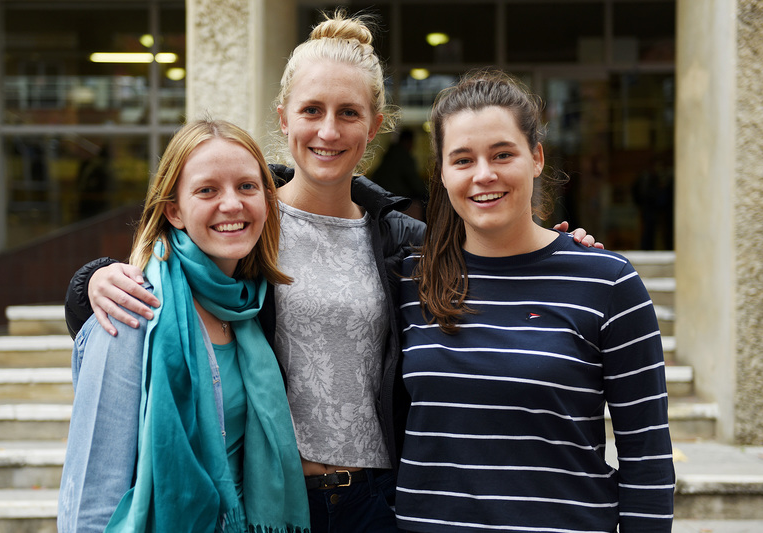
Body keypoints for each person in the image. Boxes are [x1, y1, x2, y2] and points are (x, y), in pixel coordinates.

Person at [62, 11, 601, 532]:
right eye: (311, 110)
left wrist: (561, 254)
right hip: (271, 498)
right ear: (283, 118)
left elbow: (496, 266)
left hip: (377, 501)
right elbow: (172, 273)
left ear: (375, 125)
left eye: (348, 112)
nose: (328, 130)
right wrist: (93, 280)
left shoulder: (404, 241)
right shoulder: (247, 221)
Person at [395, 70, 674, 532]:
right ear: (442, 172)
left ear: (537, 157)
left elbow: (647, 455)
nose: (484, 174)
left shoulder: (607, 284)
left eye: (502, 154)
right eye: (462, 160)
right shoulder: (410, 279)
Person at [57, 119, 309, 533]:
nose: (232, 204)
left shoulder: (250, 305)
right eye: (207, 190)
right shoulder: (134, 308)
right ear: (174, 210)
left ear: (267, 199)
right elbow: (92, 487)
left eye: (246, 186)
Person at [371, 128, 427, 220]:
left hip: (383, 199)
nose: (412, 146)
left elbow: (376, 177)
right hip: (398, 198)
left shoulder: (389, 156)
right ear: (408, 141)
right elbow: (415, 183)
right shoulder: (404, 157)